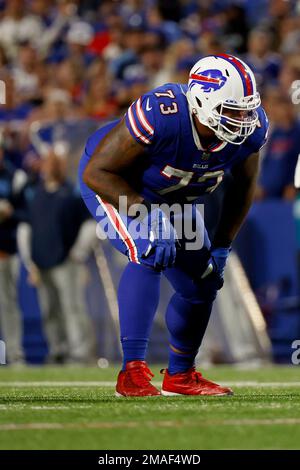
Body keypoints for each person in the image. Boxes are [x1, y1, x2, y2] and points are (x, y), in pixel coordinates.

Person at [78, 54, 269, 397]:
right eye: (232, 110)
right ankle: (131, 373)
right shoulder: (162, 114)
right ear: (201, 101)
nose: (242, 119)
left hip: (173, 199)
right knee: (152, 247)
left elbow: (242, 189)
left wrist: (222, 245)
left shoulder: (250, 131)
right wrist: (145, 212)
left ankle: (180, 375)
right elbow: (97, 172)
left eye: (246, 110)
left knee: (203, 281)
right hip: (121, 184)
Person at [19, 150, 95, 364]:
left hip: (65, 260)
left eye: (55, 163)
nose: (50, 167)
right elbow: (26, 227)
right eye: (48, 163)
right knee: (49, 310)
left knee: (72, 307)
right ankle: (58, 349)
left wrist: (79, 252)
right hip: (41, 260)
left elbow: (90, 223)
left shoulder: (71, 191)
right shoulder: (35, 192)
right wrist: (29, 261)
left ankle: (79, 351)